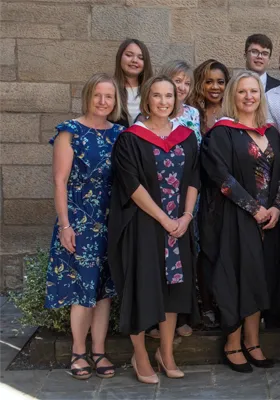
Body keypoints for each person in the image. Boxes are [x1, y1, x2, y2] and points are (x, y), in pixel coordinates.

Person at [108, 75, 200, 384]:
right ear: (147, 99)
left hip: (177, 226)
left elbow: (193, 179)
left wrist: (185, 217)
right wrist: (166, 220)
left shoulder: (186, 137)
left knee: (173, 290)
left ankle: (166, 352)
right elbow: (132, 186)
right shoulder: (131, 138)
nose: (163, 101)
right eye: (157, 96)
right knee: (143, 286)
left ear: (177, 100)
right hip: (144, 225)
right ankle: (141, 354)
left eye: (169, 96)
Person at [200, 71, 280, 373]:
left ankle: (253, 341)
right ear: (232, 97)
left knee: (259, 279)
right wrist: (253, 208)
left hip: (267, 222)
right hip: (235, 218)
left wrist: (275, 208)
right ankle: (232, 343)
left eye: (254, 91)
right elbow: (220, 177)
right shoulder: (221, 133)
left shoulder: (271, 133)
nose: (249, 97)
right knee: (235, 279)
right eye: (242, 92)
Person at [47, 73, 124, 380]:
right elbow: (59, 181)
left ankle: (99, 350)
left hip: (110, 220)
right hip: (79, 221)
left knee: (104, 290)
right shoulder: (71, 131)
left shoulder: (120, 133)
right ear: (88, 97)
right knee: (83, 290)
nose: (103, 102)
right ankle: (78, 351)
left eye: (109, 97)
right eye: (98, 96)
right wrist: (65, 225)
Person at [112, 39, 152, 126]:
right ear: (120, 57)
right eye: (129, 55)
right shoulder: (110, 88)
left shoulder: (152, 89)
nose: (134, 60)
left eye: (141, 58)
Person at [186, 59, 230, 135]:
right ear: (199, 84)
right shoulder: (190, 113)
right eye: (209, 82)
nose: (215, 87)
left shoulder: (232, 111)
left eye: (220, 82)